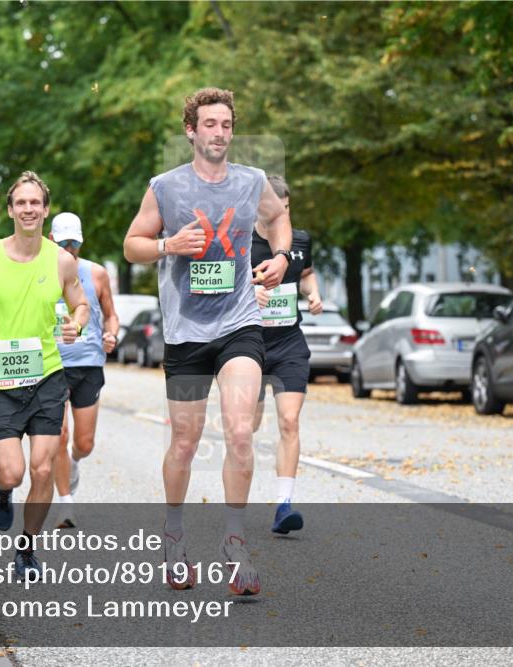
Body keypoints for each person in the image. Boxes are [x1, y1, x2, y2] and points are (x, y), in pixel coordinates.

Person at [123, 87, 292, 596]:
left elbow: (279, 217)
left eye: (226, 124)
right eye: (209, 124)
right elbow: (132, 246)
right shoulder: (166, 188)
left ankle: (235, 543)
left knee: (241, 433)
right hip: (186, 332)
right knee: (185, 442)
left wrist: (282, 257)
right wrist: (167, 245)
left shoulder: (252, 181)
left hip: (239, 323)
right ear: (191, 131)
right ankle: (174, 536)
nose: (219, 132)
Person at [0, 171, 89, 579]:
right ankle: (2, 486)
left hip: (46, 375)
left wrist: (76, 325)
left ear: (45, 210)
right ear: (10, 210)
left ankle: (26, 549)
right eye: (21, 203)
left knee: (43, 469)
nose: (28, 209)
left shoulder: (62, 260)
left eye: (35, 203)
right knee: (13, 471)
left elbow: (80, 305)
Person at [251, 175, 323, 535]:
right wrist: (249, 294)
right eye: (277, 209)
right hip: (247, 345)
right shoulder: (239, 242)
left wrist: (313, 293)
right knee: (245, 426)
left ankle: (283, 505)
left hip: (289, 344)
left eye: (288, 208)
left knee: (289, 422)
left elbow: (306, 274)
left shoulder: (301, 241)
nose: (284, 215)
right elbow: (218, 288)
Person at [48, 212, 119, 529]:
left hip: (89, 364)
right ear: (52, 240)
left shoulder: (97, 274)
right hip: (53, 364)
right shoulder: (40, 274)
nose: (69, 248)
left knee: (84, 443)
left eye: (73, 242)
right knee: (58, 435)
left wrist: (111, 335)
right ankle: (66, 504)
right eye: (63, 242)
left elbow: (111, 316)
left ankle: (74, 463)